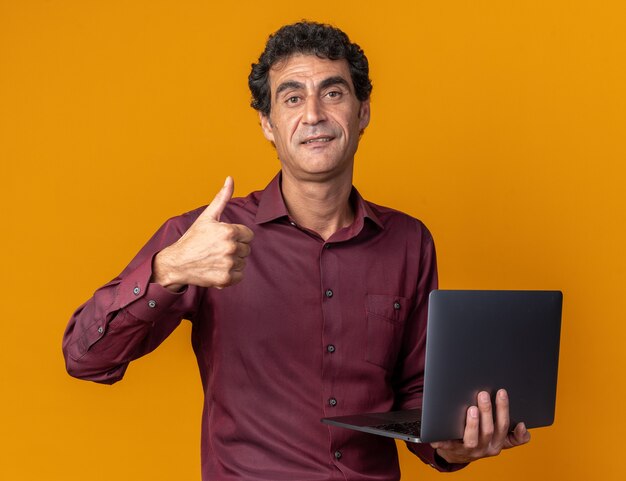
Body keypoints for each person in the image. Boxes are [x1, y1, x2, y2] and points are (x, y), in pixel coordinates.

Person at [62, 21, 530, 480]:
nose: (313, 114)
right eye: (292, 98)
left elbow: (417, 398)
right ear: (267, 123)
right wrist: (167, 270)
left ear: (362, 112)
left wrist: (455, 443)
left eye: (333, 92)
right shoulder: (208, 236)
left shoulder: (409, 242)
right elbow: (86, 358)